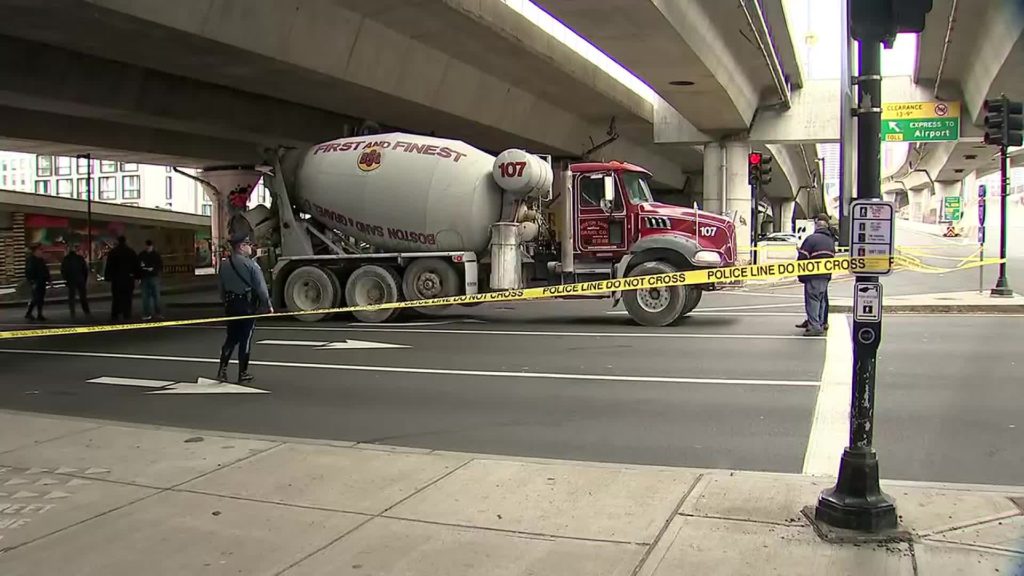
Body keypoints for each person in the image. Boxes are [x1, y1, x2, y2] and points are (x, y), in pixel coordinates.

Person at [217, 233, 272, 383]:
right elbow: (261, 289)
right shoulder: (251, 265)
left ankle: (222, 370)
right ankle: (243, 373)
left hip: (231, 305)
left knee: (231, 338)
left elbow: (221, 288)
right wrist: (267, 305)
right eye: (248, 244)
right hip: (247, 306)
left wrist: (225, 302)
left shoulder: (224, 264)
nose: (250, 247)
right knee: (245, 339)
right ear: (241, 247)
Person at [795, 214, 836, 337]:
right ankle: (820, 322)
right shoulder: (830, 241)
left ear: (816, 225)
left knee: (813, 300)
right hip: (825, 275)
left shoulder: (811, 239)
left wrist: (800, 274)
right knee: (821, 300)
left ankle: (814, 326)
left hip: (813, 275)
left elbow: (802, 257)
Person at [104, 236, 138, 322]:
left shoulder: (113, 252)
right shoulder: (131, 252)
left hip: (117, 279)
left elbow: (109, 266)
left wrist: (108, 277)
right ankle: (127, 314)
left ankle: (115, 314)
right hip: (128, 278)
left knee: (116, 297)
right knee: (127, 297)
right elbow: (136, 265)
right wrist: (137, 276)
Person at [61, 244, 91, 318]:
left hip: (71, 280)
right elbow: (85, 270)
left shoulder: (66, 259)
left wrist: (66, 279)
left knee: (71, 296)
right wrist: (84, 279)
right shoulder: (80, 258)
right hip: (80, 279)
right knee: (83, 296)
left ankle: (72, 311)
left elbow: (63, 270)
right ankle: (86, 311)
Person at [138, 239, 163, 321]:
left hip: (152, 276)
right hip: (148, 276)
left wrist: (152, 269)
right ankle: (151, 313)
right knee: (148, 296)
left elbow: (159, 266)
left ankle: (154, 313)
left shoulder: (145, 255)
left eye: (149, 246)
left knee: (153, 296)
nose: (148, 248)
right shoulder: (154, 255)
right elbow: (159, 266)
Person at [24, 244, 50, 321]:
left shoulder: (41, 260)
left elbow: (45, 270)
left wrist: (48, 279)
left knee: (40, 299)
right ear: (35, 251)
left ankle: (39, 314)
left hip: (42, 281)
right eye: (39, 250)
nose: (41, 252)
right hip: (36, 282)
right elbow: (29, 272)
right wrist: (32, 281)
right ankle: (29, 313)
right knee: (36, 298)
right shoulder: (31, 260)